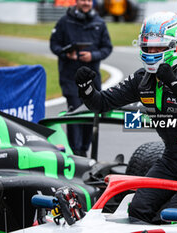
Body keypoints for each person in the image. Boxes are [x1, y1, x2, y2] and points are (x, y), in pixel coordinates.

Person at [75, 11, 177, 224]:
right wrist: (86, 88)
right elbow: (101, 103)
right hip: (169, 160)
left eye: (158, 47)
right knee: (137, 209)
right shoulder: (142, 79)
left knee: (171, 215)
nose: (151, 52)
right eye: (148, 46)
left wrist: (174, 84)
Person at [50, 0, 113, 156]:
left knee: (90, 116)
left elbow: (107, 47)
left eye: (88, 0)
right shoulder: (64, 21)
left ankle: (84, 151)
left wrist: (93, 55)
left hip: (92, 79)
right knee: (76, 114)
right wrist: (66, 53)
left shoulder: (99, 22)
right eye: (82, 0)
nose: (85, 3)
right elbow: (54, 45)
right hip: (70, 78)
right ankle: (75, 153)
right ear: (76, 2)